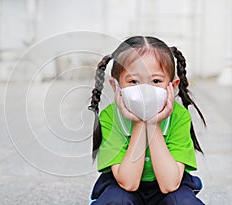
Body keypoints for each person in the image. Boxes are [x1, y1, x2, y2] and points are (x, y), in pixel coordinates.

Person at [88, 36, 206, 204]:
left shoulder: (179, 116)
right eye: (134, 81)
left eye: (156, 81)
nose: (145, 91)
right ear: (116, 87)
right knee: (116, 200)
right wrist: (138, 124)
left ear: (172, 86)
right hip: (123, 185)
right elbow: (128, 183)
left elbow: (169, 185)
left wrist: (152, 124)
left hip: (168, 186)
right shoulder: (110, 117)